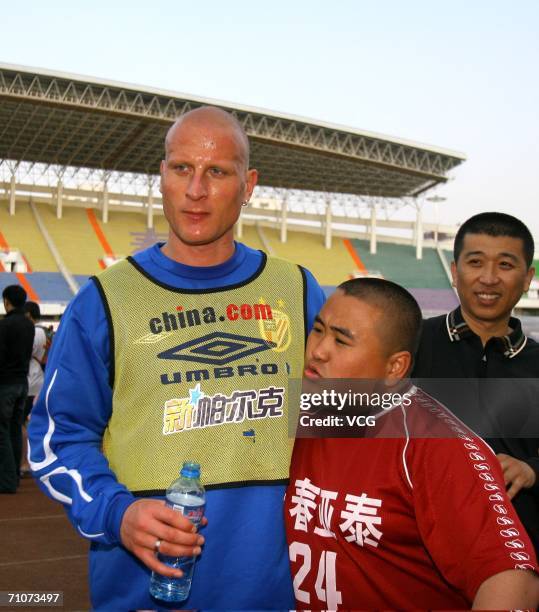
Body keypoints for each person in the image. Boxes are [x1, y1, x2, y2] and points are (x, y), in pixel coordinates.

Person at [28, 106, 326, 610]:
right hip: (142, 595)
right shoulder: (104, 300)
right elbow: (57, 437)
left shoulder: (296, 290)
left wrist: (472, 453)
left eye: (217, 171)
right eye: (181, 168)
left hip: (277, 596)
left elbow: (351, 417)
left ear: (248, 184)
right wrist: (116, 513)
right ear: (161, 176)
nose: (196, 190)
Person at [285, 278, 539, 609]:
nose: (318, 350)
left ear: (395, 368)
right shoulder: (301, 412)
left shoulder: (436, 445)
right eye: (318, 330)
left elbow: (513, 579)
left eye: (341, 341)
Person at [412, 212, 539, 555]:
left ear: (527, 278)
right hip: (420, 547)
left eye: (506, 265)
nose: (489, 278)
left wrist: (531, 469)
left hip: (519, 555)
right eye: (475, 262)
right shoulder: (409, 345)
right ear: (455, 272)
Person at [0, 285, 35, 493]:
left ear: (7, 301)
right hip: (23, 381)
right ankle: (14, 475)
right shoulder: (29, 325)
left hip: (6, 384)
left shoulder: (5, 325)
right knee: (14, 428)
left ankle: (6, 479)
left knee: (2, 431)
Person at [19, 301, 48, 476]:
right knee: (32, 422)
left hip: (31, 379)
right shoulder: (43, 331)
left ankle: (25, 462)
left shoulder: (34, 331)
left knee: (23, 423)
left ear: (28, 314)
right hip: (38, 378)